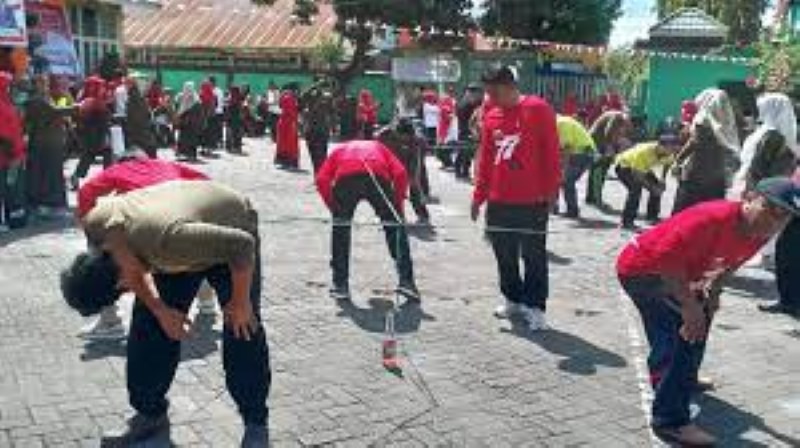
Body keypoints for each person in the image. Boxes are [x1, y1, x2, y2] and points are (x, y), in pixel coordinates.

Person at [61, 180, 270, 447]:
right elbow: (130, 273)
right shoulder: (95, 229)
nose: (129, 290)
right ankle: (150, 414)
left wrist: (241, 303)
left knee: (242, 327)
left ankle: (256, 423)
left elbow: (242, 245)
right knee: (149, 325)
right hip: (180, 237)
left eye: (122, 290)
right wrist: (160, 310)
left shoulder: (165, 239)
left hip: (232, 232)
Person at [617, 176, 800, 447]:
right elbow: (667, 261)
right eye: (771, 208)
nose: (775, 220)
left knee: (701, 324)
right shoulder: (710, 218)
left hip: (686, 273)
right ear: (749, 198)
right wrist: (690, 306)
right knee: (678, 336)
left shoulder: (760, 232)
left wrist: (713, 294)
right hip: (644, 271)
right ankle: (670, 420)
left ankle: (686, 376)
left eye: (785, 217)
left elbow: (730, 263)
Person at [75, 154, 214, 340]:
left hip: (154, 232)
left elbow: (85, 192)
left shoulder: (120, 169)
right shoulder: (167, 165)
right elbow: (207, 183)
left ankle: (110, 322)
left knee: (98, 254)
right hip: (187, 229)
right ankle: (207, 300)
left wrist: (89, 228)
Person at [471, 65, 561, 331]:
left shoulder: (538, 109)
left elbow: (552, 153)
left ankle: (535, 307)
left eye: (494, 92)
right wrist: (479, 196)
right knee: (504, 254)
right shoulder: (491, 114)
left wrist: (552, 191)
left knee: (534, 256)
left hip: (532, 200)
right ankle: (512, 298)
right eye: (487, 92)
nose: (490, 98)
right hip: (499, 201)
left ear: (510, 86)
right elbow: (486, 159)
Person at [316, 139, 419, 302]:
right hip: (378, 175)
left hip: (346, 178)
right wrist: (397, 208)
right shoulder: (379, 147)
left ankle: (340, 284)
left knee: (341, 229)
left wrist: (334, 209)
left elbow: (321, 179)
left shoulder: (339, 149)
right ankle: (407, 281)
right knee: (394, 228)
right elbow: (400, 174)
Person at [672, 88, 741, 215]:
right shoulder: (727, 121)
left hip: (697, 171)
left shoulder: (704, 118)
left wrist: (678, 159)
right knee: (710, 211)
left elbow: (695, 142)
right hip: (718, 174)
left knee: (684, 212)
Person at [25, 75, 74, 219]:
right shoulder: (36, 100)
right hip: (44, 144)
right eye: (42, 83)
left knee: (52, 174)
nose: (46, 86)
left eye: (46, 83)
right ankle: (46, 205)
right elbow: (56, 111)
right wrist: (79, 107)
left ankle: (50, 204)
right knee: (47, 175)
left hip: (52, 143)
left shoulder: (46, 98)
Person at [615, 134, 679, 229]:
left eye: (674, 148)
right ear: (661, 146)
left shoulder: (668, 153)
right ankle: (626, 222)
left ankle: (651, 216)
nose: (673, 151)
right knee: (635, 190)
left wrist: (662, 179)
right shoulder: (644, 152)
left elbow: (667, 164)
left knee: (658, 187)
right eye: (671, 148)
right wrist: (651, 188)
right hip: (624, 166)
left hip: (642, 168)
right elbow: (637, 175)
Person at [377, 119, 431, 224]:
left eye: (407, 137)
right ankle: (391, 214)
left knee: (414, 187)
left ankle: (422, 213)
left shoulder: (417, 140)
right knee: (387, 189)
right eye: (402, 137)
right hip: (391, 162)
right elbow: (377, 147)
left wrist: (413, 178)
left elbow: (416, 162)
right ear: (396, 132)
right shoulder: (384, 134)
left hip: (410, 161)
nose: (404, 139)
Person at [70, 76, 112, 190]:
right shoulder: (92, 100)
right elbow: (103, 113)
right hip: (97, 133)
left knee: (90, 156)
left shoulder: (84, 97)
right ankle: (107, 179)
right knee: (102, 154)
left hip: (92, 133)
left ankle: (76, 176)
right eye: (100, 86)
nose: (102, 88)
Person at [555, 114, 596, 218]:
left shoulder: (561, 123)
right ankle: (563, 208)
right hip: (582, 153)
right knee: (564, 180)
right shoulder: (562, 121)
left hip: (581, 154)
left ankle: (572, 211)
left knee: (567, 180)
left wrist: (563, 168)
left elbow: (567, 148)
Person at [586, 110, 629, 208]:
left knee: (596, 170)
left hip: (597, 140)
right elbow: (608, 132)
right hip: (598, 142)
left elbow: (616, 134)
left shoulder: (619, 117)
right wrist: (610, 149)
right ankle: (597, 200)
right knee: (600, 170)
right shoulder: (617, 117)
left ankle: (591, 198)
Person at [0, 71, 26, 232]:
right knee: (5, 188)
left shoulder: (7, 103)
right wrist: (11, 152)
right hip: (7, 156)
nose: (11, 88)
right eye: (8, 85)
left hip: (13, 154)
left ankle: (12, 219)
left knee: (11, 187)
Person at [300, 86, 335, 173]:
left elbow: (332, 112)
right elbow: (302, 99)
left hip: (319, 130)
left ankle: (320, 173)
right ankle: (319, 173)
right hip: (314, 130)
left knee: (320, 154)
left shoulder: (327, 97)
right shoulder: (310, 97)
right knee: (316, 154)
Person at [454, 84, 483, 180]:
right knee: (463, 151)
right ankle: (460, 171)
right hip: (465, 130)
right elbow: (468, 118)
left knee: (466, 152)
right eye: (477, 93)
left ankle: (464, 171)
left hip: (465, 129)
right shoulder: (466, 103)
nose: (478, 95)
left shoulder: (464, 101)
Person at [124, 79, 158, 158]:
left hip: (136, 135)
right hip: (143, 135)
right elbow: (145, 116)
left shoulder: (131, 100)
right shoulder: (140, 100)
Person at [175, 82, 204, 162]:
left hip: (190, 123)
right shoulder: (186, 97)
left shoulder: (195, 99)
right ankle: (187, 154)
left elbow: (181, 109)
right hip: (188, 123)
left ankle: (191, 154)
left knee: (190, 139)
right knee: (187, 138)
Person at [275, 87, 300, 169]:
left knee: (283, 143)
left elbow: (280, 106)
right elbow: (291, 111)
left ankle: (284, 160)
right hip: (289, 122)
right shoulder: (290, 98)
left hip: (284, 122)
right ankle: (290, 161)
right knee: (290, 144)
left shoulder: (284, 97)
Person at [436, 88, 458, 169]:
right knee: (443, 146)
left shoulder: (452, 103)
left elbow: (450, 116)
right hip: (445, 129)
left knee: (449, 146)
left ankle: (449, 163)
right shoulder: (445, 105)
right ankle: (447, 163)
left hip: (449, 129)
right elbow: (447, 115)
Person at [226, 85, 245, 154]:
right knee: (237, 134)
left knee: (231, 133)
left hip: (232, 119)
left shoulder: (231, 99)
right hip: (238, 119)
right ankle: (237, 147)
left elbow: (229, 109)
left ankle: (231, 147)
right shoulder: (240, 98)